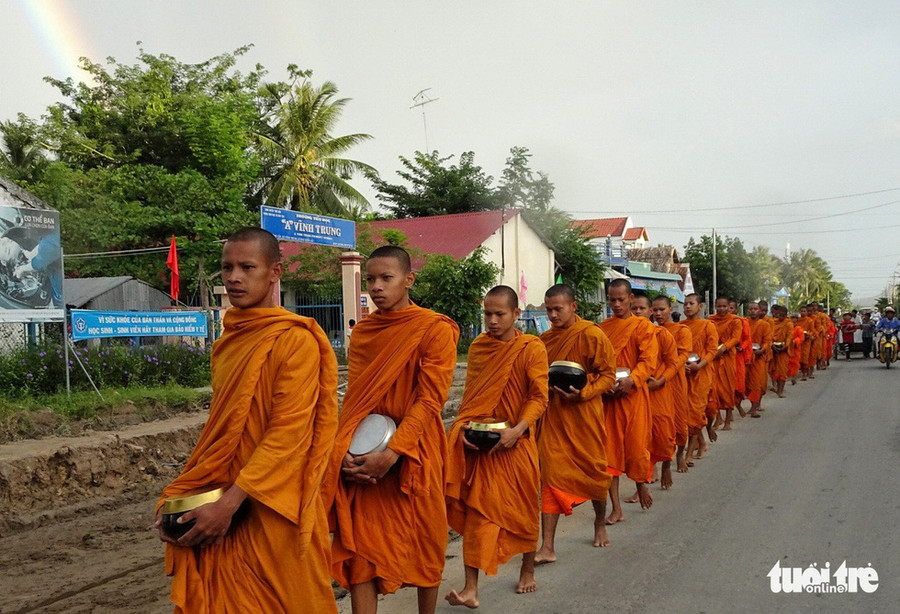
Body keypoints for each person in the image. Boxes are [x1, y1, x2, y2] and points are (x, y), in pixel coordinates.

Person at [155, 228, 339, 613]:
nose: (234, 277)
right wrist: (194, 495)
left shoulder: (295, 340)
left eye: (246, 267)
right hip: (224, 491)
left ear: (274, 272)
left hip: (275, 502)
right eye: (227, 267)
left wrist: (231, 504)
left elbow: (288, 433)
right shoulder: (229, 340)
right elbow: (224, 429)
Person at [324, 246, 459, 614]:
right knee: (361, 553)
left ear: (408, 280)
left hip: (416, 452)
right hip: (367, 447)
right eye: (370, 279)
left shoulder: (434, 329)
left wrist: (393, 453)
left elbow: (430, 400)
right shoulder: (365, 332)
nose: (377, 287)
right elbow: (356, 398)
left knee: (426, 544)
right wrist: (348, 453)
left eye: (387, 278)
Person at [445, 286, 548, 607]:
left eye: (499, 314)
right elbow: (472, 399)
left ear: (516, 314)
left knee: (524, 510)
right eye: (487, 314)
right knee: (477, 516)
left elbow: (538, 396)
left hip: (517, 444)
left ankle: (527, 570)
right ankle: (470, 589)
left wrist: (518, 430)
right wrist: (461, 428)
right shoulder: (478, 347)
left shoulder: (531, 348)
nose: (491, 320)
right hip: (483, 444)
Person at [535, 284, 616, 560]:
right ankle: (547, 546)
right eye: (549, 310)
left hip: (584, 416)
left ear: (573, 307)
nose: (554, 315)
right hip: (555, 417)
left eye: (558, 309)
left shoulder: (592, 335)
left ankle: (599, 523)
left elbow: (608, 376)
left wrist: (583, 394)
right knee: (551, 476)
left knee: (595, 472)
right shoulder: (544, 340)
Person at [598, 280, 658, 523]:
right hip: (610, 400)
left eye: (621, 299)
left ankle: (641, 483)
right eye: (612, 300)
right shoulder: (603, 328)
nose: (616, 304)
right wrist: (603, 384)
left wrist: (632, 380)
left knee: (635, 448)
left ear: (631, 298)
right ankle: (616, 508)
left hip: (634, 398)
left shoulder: (643, 327)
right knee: (609, 455)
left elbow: (648, 361)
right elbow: (598, 362)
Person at [630, 295, 677, 491]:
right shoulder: (627, 333)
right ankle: (644, 480)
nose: (638, 312)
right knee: (641, 437)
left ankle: (666, 463)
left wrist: (660, 380)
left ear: (649, 311)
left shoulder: (662, 334)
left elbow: (673, 363)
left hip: (659, 389)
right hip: (636, 391)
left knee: (663, 434)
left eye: (642, 308)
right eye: (635, 308)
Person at [651, 295, 693, 474]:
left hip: (674, 381)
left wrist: (665, 376)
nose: (658, 313)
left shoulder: (682, 331)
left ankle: (679, 455)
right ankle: (655, 464)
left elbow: (682, 356)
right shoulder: (649, 331)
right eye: (655, 310)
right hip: (655, 383)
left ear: (670, 310)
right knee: (657, 424)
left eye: (662, 309)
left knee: (679, 421)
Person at [680, 294, 718, 464]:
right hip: (685, 373)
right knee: (688, 413)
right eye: (685, 304)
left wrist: (699, 365)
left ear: (700, 306)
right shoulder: (680, 327)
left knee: (695, 412)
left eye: (691, 303)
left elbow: (712, 351)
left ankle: (689, 454)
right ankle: (701, 443)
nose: (688, 307)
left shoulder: (707, 326)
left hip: (701, 373)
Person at [708, 297, 742, 431]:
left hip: (727, 357)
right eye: (719, 306)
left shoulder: (735, 321)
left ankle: (728, 419)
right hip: (714, 357)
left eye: (724, 306)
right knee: (714, 389)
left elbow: (735, 338)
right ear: (715, 307)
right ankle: (718, 418)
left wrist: (724, 347)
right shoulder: (710, 320)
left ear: (729, 307)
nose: (721, 309)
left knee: (727, 389)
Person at [746, 302, 772, 418]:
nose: (753, 311)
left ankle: (754, 408)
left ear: (759, 310)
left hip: (759, 357)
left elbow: (768, 340)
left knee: (757, 383)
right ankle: (753, 405)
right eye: (751, 309)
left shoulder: (764, 324)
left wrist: (762, 349)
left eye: (755, 309)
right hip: (747, 357)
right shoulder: (745, 323)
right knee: (747, 384)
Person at [729, 300, 753, 418]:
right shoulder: (715, 321)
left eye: (731, 308)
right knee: (724, 386)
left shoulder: (741, 322)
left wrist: (741, 347)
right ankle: (728, 414)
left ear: (736, 310)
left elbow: (747, 338)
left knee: (737, 385)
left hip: (737, 356)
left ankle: (737, 407)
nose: (729, 310)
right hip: (723, 356)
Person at [770, 305, 794, 398]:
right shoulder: (772, 323)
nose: (780, 317)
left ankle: (780, 390)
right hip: (774, 349)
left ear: (786, 315)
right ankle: (776, 386)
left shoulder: (788, 323)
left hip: (783, 350)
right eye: (778, 315)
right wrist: (771, 344)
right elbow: (769, 334)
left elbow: (789, 336)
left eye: (782, 316)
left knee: (782, 371)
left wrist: (786, 346)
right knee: (773, 370)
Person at [788, 314, 804, 385]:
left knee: (795, 363)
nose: (793, 324)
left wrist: (795, 341)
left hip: (795, 349)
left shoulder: (799, 329)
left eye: (794, 322)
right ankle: (789, 376)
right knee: (788, 363)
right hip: (788, 348)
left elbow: (801, 338)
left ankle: (794, 377)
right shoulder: (788, 329)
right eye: (792, 322)